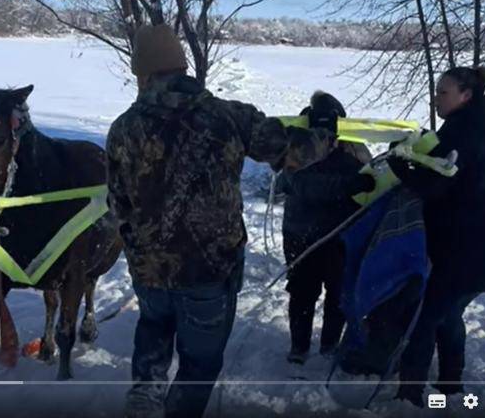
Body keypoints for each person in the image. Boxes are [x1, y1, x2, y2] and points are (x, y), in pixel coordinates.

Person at [105, 24, 336, 418]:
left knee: (154, 331)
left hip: (150, 269)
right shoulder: (228, 116)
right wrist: (326, 127)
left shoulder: (123, 129)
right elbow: (295, 154)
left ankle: (145, 394)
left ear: (142, 74)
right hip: (209, 270)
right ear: (182, 67)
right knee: (200, 363)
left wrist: (139, 247)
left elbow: (118, 205)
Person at [387, 65, 485, 406]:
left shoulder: (466, 133)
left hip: (477, 244)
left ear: (466, 95)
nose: (436, 98)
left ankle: (410, 395)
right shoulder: (467, 126)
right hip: (479, 241)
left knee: (427, 315)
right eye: (436, 91)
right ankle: (450, 384)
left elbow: (437, 185)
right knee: (446, 314)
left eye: (443, 92)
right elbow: (443, 172)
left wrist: (400, 165)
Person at [277, 91, 375, 364]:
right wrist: (350, 185)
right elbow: (302, 184)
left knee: (338, 291)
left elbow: (372, 177)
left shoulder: (353, 147)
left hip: (340, 233)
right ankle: (299, 348)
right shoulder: (297, 147)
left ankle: (330, 344)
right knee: (302, 291)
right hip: (303, 233)